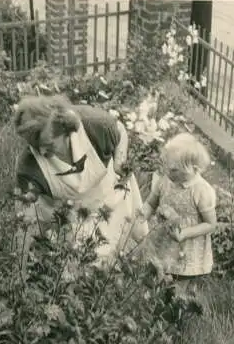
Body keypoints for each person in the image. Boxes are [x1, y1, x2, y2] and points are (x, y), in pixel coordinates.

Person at [14, 94, 148, 269]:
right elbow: (25, 220)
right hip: (73, 216)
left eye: (49, 144)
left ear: (65, 131)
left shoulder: (94, 124)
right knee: (83, 265)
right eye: (34, 145)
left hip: (110, 195)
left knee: (129, 253)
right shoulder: (29, 166)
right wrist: (20, 269)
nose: (41, 150)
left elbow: (120, 130)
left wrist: (119, 161)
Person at [139, 132, 217, 296]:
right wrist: (142, 214)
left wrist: (185, 233)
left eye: (174, 170)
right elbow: (152, 202)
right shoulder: (165, 181)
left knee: (177, 287)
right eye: (166, 167)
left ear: (193, 168)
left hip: (185, 246)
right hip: (162, 239)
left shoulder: (201, 191)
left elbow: (210, 224)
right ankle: (150, 301)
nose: (168, 172)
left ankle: (173, 307)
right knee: (154, 273)